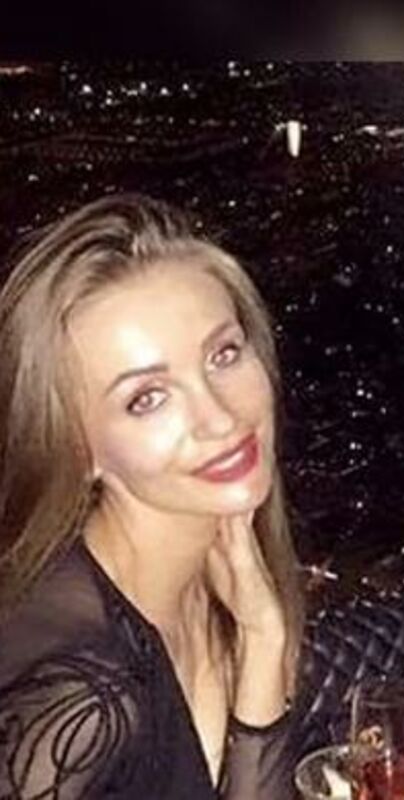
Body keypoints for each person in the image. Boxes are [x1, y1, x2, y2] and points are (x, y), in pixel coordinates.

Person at [0, 194, 305, 798]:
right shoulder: (76, 699)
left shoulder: (219, 579)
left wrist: (264, 642)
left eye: (223, 354)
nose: (219, 417)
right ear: (76, 448)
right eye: (147, 398)